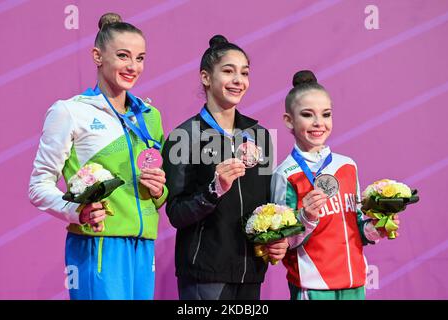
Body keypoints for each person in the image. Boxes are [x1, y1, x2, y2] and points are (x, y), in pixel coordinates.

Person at [28, 13, 167, 300]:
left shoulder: (150, 117)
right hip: (98, 242)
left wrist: (160, 189)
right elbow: (38, 186)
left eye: (140, 58)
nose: (133, 66)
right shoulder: (70, 112)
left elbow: (160, 192)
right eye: (123, 56)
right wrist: (77, 212)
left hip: (143, 246)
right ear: (97, 56)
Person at [162, 35, 289, 300]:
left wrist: (277, 238)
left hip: (251, 271)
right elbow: (176, 212)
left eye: (244, 73)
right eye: (228, 71)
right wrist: (214, 190)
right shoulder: (184, 137)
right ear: (206, 78)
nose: (238, 80)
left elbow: (267, 206)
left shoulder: (260, 135)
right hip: (205, 274)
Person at [271, 70, 399, 300]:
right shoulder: (285, 174)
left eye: (326, 114)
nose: (319, 123)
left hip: (355, 283)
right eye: (307, 115)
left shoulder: (347, 166)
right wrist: (306, 217)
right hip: (314, 287)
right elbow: (284, 244)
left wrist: (377, 228)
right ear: (289, 120)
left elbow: (357, 226)